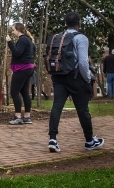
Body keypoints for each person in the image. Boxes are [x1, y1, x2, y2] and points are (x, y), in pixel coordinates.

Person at [48, 12, 104, 153]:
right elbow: (83, 63)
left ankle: (53, 139)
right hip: (75, 77)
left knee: (57, 107)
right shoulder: (81, 38)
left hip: (58, 76)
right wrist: (87, 79)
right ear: (79, 23)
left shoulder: (58, 37)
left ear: (66, 23)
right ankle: (89, 140)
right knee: (83, 110)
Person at [6, 23, 35, 125]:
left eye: (13, 30)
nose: (13, 32)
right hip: (29, 67)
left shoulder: (22, 39)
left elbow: (17, 52)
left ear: (18, 30)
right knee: (24, 92)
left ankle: (18, 116)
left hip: (22, 68)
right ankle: (27, 116)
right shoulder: (29, 40)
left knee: (14, 92)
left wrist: (10, 42)